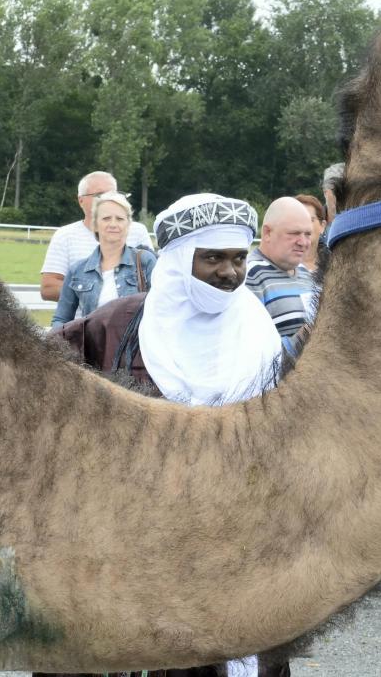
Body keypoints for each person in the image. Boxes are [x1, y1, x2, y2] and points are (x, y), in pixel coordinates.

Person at [47, 193, 287, 677]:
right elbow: (37, 376)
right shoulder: (119, 323)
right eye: (213, 258)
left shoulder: (259, 332)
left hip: (233, 542)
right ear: (179, 260)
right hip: (131, 541)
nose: (229, 273)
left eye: (239, 258)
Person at [40, 172, 152, 302]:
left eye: (113, 195)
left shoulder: (138, 232)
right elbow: (48, 288)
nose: (108, 200)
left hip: (131, 321)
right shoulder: (65, 236)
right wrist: (95, 291)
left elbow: (154, 279)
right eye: (99, 195)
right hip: (81, 322)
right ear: (81, 201)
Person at [51, 192, 155, 328]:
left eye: (119, 219)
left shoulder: (145, 261)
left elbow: (162, 310)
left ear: (128, 224)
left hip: (135, 348)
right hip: (92, 348)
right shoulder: (77, 270)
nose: (113, 224)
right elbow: (61, 319)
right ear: (95, 224)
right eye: (106, 218)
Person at [245, 197, 316, 338]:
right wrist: (306, 336)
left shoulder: (305, 273)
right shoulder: (249, 275)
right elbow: (250, 348)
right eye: (294, 233)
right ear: (267, 233)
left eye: (308, 234)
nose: (303, 242)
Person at [293, 193, 326, 272]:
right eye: (298, 219)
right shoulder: (278, 263)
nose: (304, 225)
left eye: (311, 220)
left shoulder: (335, 264)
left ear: (322, 226)